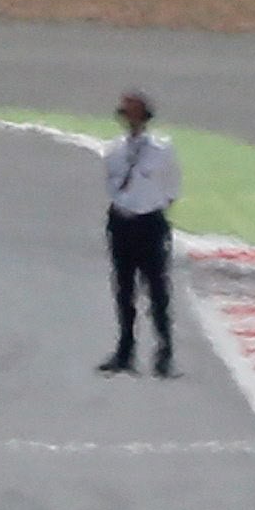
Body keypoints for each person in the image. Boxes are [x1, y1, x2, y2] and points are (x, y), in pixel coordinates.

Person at [99, 93, 177, 377]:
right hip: (122, 221)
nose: (130, 119)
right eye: (126, 113)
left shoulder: (162, 148)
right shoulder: (114, 149)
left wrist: (154, 204)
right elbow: (110, 182)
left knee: (157, 288)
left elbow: (172, 184)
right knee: (124, 288)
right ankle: (125, 349)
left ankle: (164, 350)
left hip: (149, 222)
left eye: (135, 114)